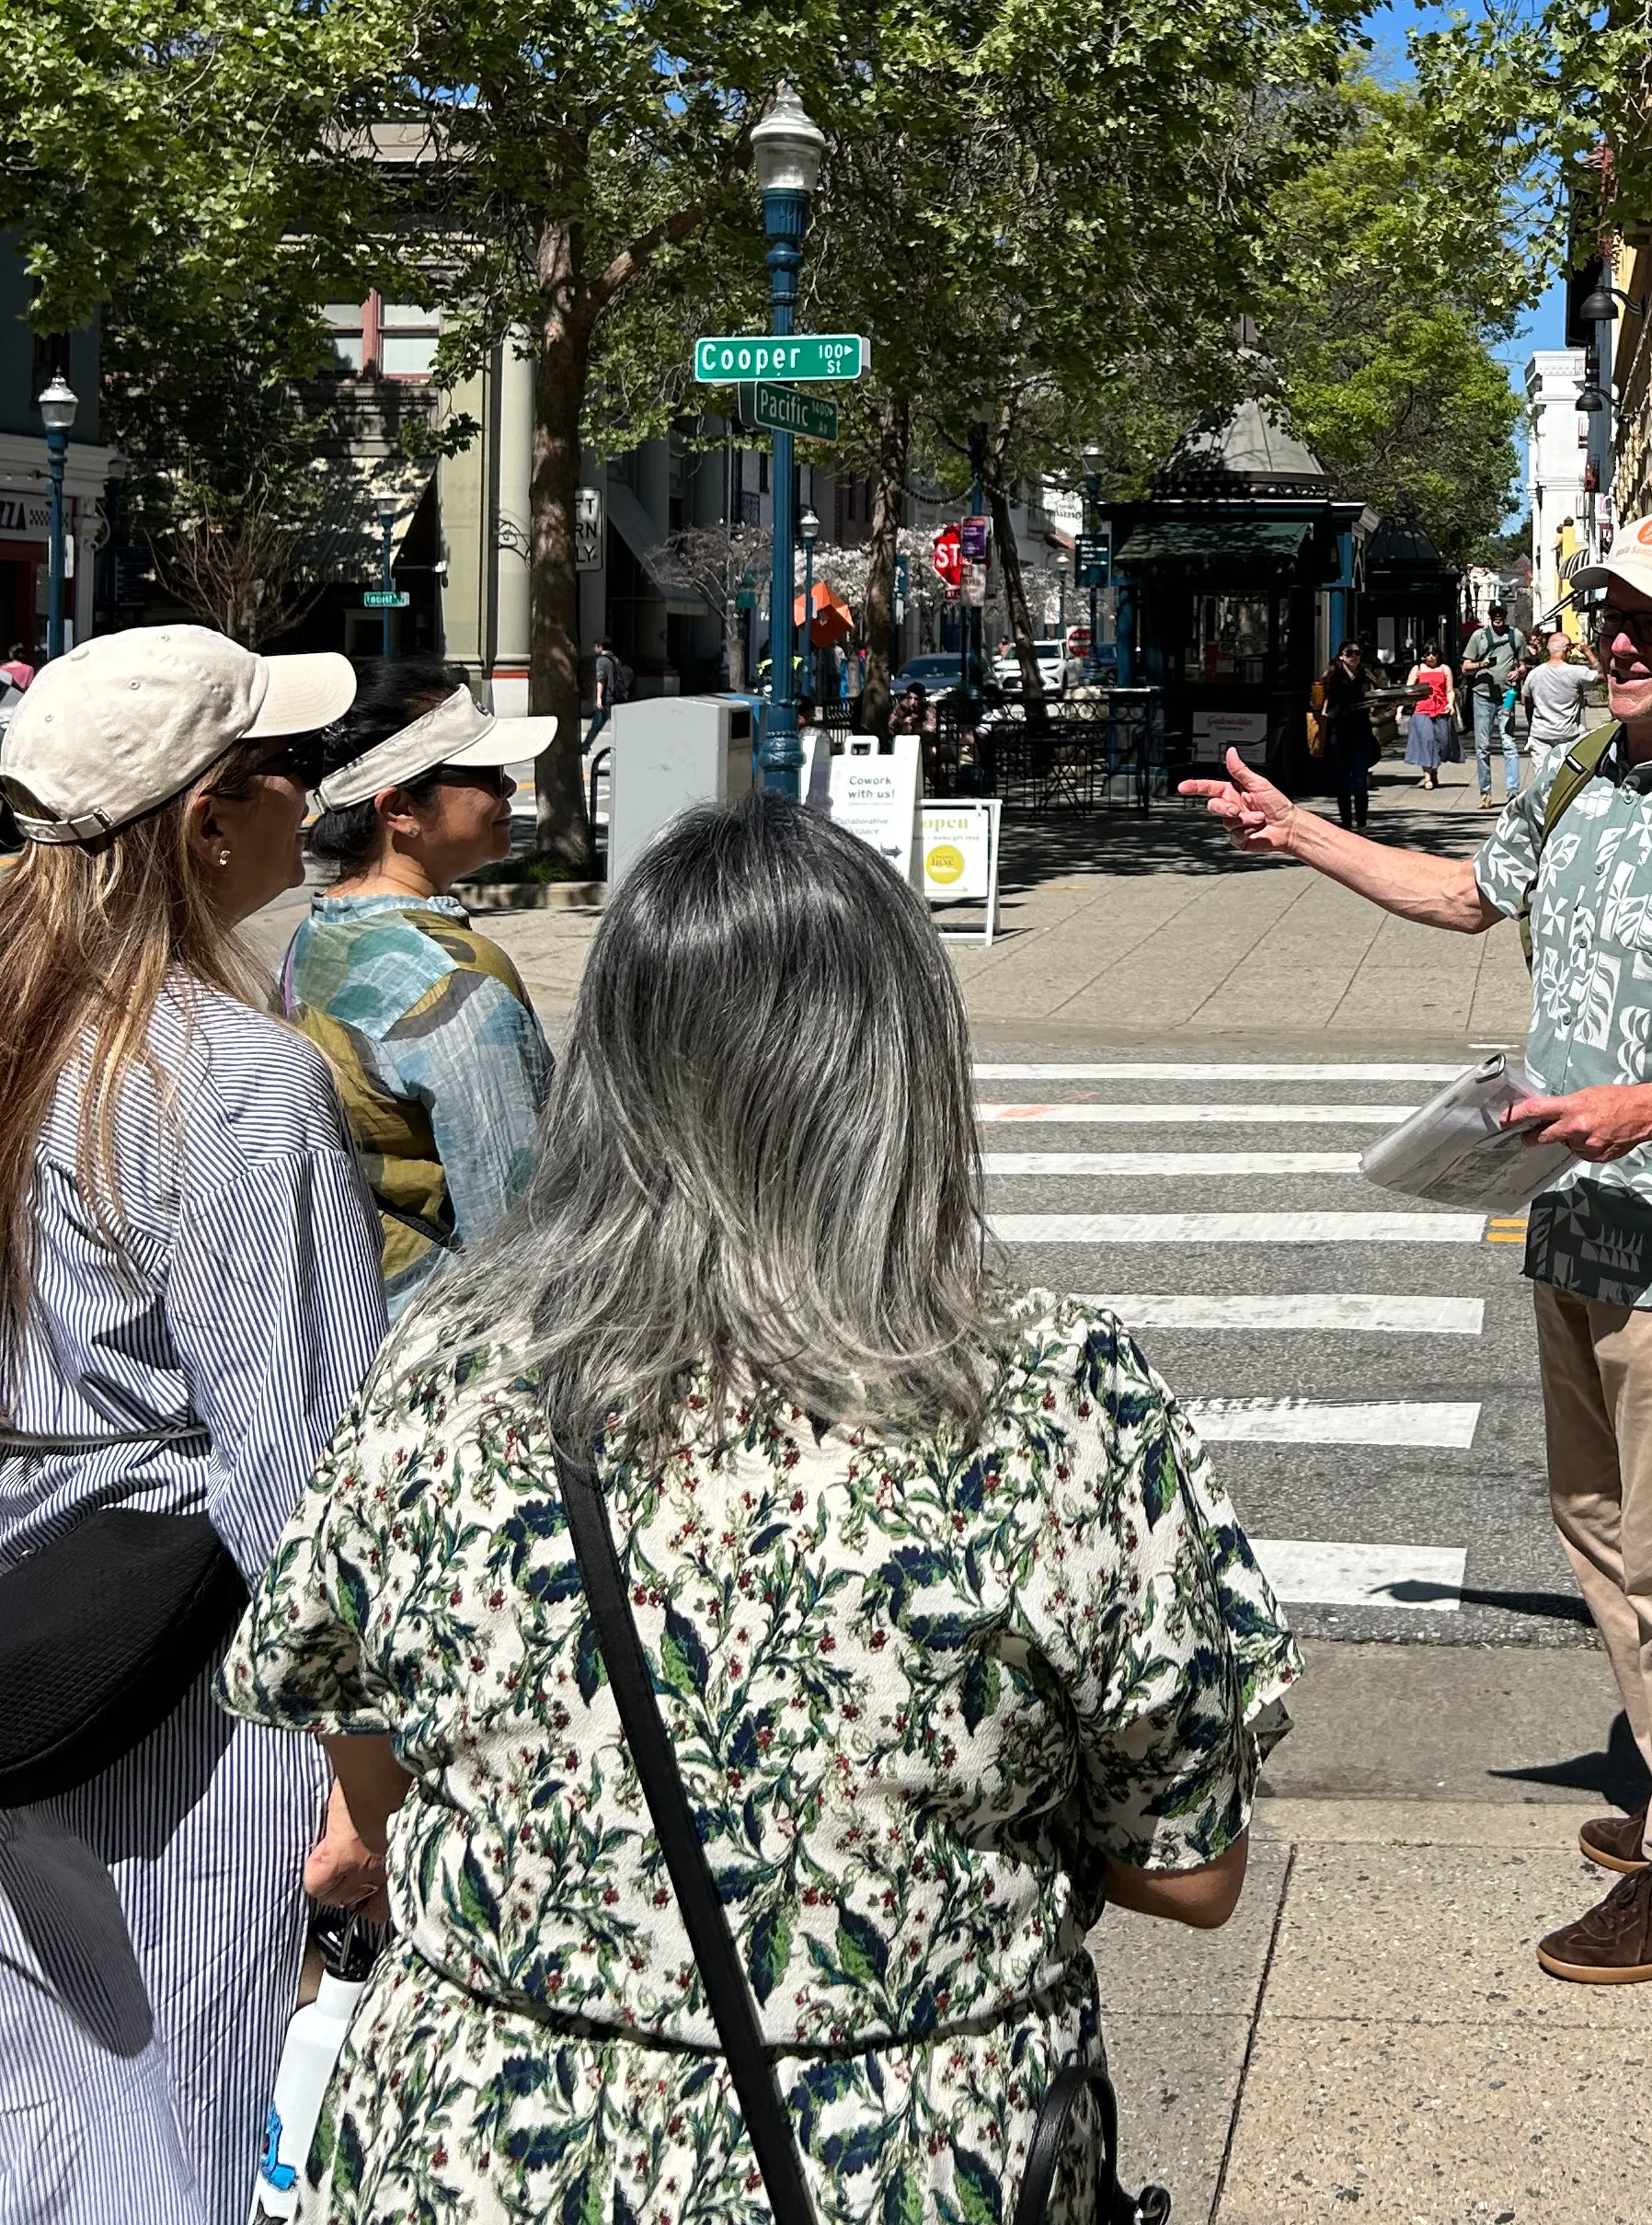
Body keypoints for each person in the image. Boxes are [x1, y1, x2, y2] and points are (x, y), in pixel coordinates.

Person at [221, 797, 1294, 2221]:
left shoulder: (449, 1366)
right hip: (907, 2150)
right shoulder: (1051, 1395)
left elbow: (359, 1744)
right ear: (904, 1068)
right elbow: (1192, 1863)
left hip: (482, 2144)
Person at [1186, 511, 1652, 1981]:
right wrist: (1296, 828)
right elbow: (1464, 895)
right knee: (1597, 1527)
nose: (1621, 638)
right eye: (1610, 612)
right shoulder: (1580, 772)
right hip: (1569, 1225)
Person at [0, 625, 387, 2225]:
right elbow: (316, 1470)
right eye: (285, 769)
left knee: (40, 2092)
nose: (321, 797)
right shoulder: (231, 1079)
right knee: (197, 2103)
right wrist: (366, 1784)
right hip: (187, 1693)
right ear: (205, 821)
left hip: (20, 1632)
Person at [277, 664, 559, 1313]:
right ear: (399, 808)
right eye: (484, 775)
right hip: (445, 1328)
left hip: (358, 1299)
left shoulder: (316, 935)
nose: (507, 787)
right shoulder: (454, 980)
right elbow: (515, 1222)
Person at [1461, 598, 1527, 804]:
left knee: (1509, 741)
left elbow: (1523, 665)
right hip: (1482, 696)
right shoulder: (1478, 637)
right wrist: (1482, 665)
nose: (1498, 617)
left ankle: (1513, 790)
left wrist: (1518, 672)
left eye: (1501, 613)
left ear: (1505, 615)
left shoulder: (1516, 636)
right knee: (1483, 746)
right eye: (1494, 613)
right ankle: (1485, 792)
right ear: (1490, 616)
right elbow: (1465, 667)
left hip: (1507, 696)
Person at [1517, 628, 1600, 783]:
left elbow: (1526, 700)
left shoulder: (1535, 674)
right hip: (1569, 736)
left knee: (1542, 783)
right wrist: (1588, 653)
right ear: (1567, 649)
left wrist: (1531, 724)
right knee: (1567, 783)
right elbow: (1603, 675)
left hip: (1541, 735)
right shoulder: (1576, 672)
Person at [1320, 639, 1382, 830]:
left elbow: (1378, 693)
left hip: (1361, 733)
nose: (1354, 656)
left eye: (1358, 653)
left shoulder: (1365, 675)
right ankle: (1346, 825)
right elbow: (1323, 701)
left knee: (1360, 782)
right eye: (1350, 653)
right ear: (1341, 656)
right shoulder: (1333, 675)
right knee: (1343, 784)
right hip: (1339, 733)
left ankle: (1362, 825)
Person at [1404, 637, 1458, 789]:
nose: (1431, 657)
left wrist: (1450, 704)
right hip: (1422, 710)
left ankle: (1434, 770)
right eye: (1428, 654)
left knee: (1441, 743)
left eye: (1434, 653)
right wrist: (1400, 709)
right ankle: (1427, 776)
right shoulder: (1418, 669)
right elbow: (1407, 691)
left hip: (1441, 709)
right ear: (1423, 656)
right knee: (1426, 741)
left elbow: (1449, 690)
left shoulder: (1445, 669)